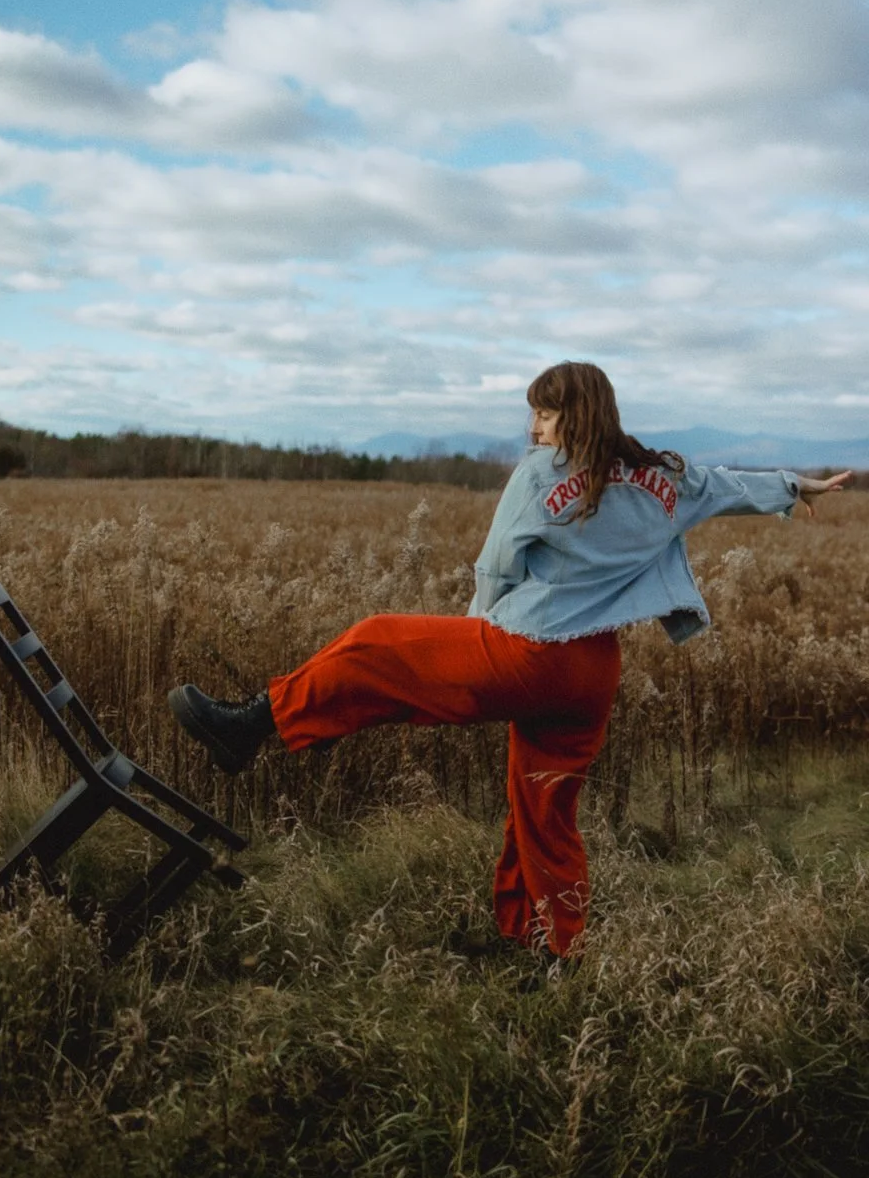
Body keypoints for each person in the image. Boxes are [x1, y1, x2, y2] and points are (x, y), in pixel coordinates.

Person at [168, 362, 851, 967]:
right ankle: (552, 948)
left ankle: (251, 725)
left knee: (375, 643)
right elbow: (729, 485)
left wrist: (473, 639)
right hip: (594, 672)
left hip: (529, 652)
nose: (535, 424)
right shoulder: (666, 477)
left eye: (546, 411)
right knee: (544, 807)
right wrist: (799, 487)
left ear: (575, 414)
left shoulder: (539, 475)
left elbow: (496, 568)